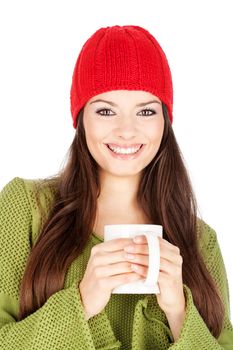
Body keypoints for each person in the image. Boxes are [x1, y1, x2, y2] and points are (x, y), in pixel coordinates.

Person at [0, 25, 232, 350]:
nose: (127, 131)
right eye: (106, 111)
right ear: (81, 118)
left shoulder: (199, 241)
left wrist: (179, 311)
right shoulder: (25, 207)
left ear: (165, 121)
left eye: (146, 111)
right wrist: (81, 303)